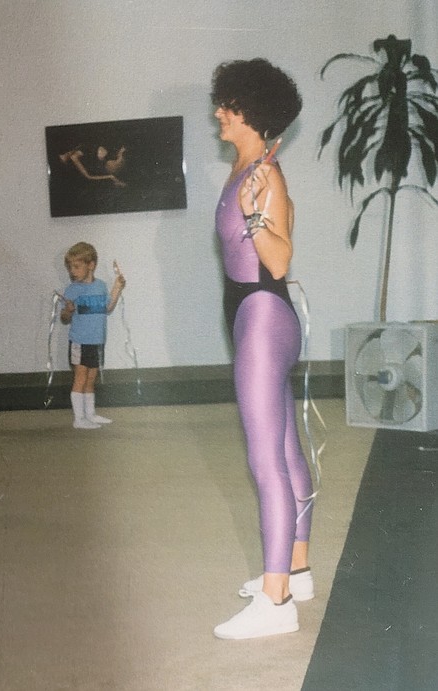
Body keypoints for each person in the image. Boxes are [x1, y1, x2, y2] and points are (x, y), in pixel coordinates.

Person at [209, 58, 311, 640]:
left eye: (230, 105)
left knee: (264, 458)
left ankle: (275, 605)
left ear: (252, 113)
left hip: (262, 312)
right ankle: (296, 571)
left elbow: (277, 260)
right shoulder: (248, 164)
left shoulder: (265, 177)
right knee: (286, 448)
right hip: (253, 313)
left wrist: (252, 214)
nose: (220, 112)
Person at [60, 242, 125, 429]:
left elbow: (108, 307)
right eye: (70, 267)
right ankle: (79, 419)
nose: (72, 271)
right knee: (80, 378)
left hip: (97, 341)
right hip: (80, 341)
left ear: (91, 265)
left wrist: (117, 287)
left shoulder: (101, 286)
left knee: (91, 379)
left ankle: (91, 414)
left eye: (76, 266)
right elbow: (64, 317)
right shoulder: (72, 290)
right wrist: (69, 310)